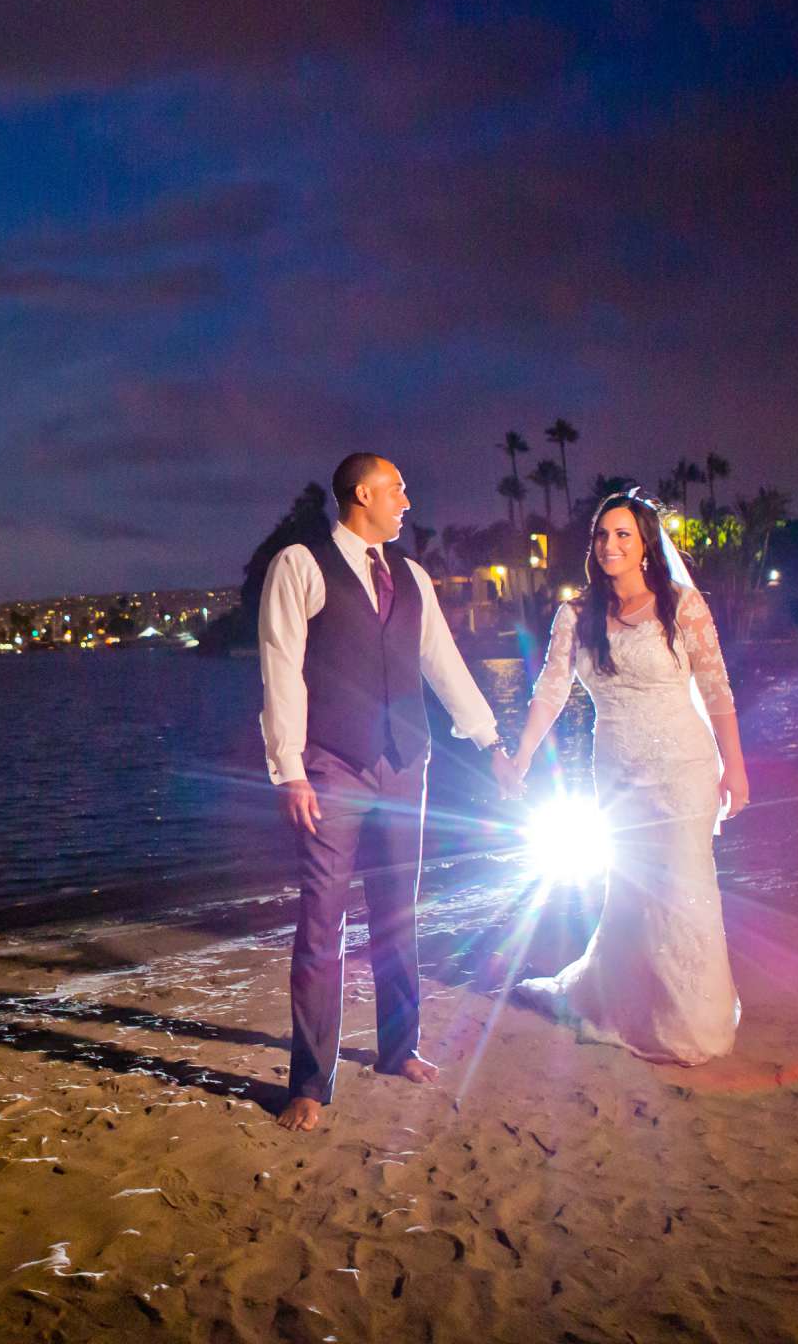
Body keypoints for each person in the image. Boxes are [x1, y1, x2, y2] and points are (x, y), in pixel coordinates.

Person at [260, 452, 522, 1133]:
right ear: (363, 493)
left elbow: (442, 662)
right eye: (398, 489)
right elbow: (281, 666)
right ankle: (310, 1083)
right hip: (332, 767)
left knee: (397, 912)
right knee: (322, 924)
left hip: (407, 763)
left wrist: (490, 742)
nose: (407, 500)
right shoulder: (301, 564)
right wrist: (287, 768)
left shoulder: (410, 574)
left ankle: (398, 1048)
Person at [506, 489, 749, 1065]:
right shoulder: (576, 615)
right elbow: (551, 691)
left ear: (645, 546)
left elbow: (716, 690)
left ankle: (694, 1022)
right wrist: (520, 756)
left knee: (685, 890)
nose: (610, 545)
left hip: (685, 767)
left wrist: (734, 765)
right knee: (633, 893)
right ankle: (629, 1005)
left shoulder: (681, 606)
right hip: (615, 773)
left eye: (623, 535)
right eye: (602, 535)